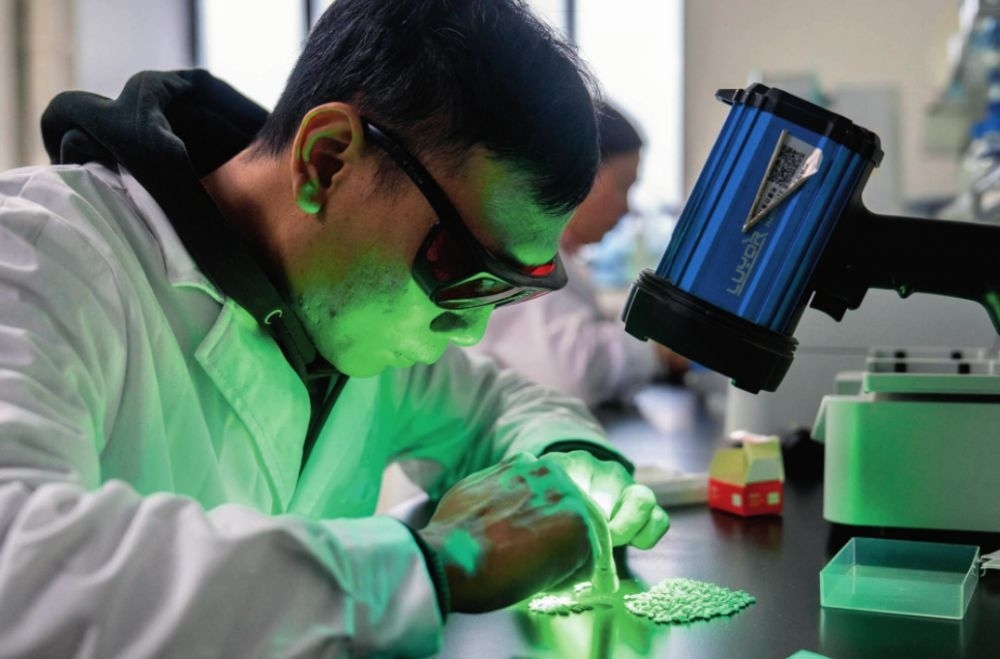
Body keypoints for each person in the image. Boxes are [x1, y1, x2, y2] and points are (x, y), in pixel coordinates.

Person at [0, 1, 669, 656]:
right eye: (463, 268)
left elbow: (496, 403)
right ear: (326, 161)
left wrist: (570, 465)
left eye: (508, 288)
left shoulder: (352, 312)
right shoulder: (37, 257)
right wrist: (434, 564)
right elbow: (19, 572)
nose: (468, 331)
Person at [469, 103, 689, 408]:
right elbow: (572, 375)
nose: (626, 208)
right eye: (623, 187)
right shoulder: (523, 254)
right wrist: (656, 351)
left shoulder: (552, 256)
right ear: (580, 174)